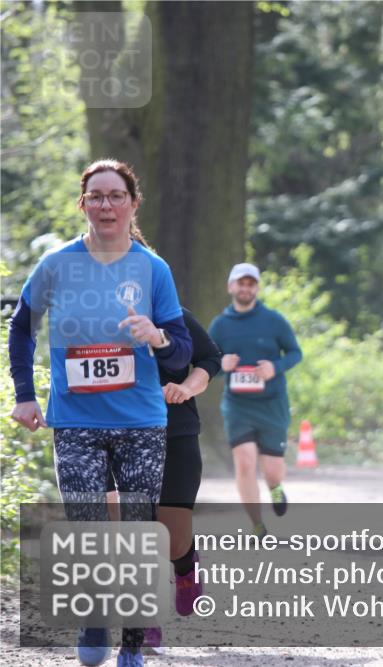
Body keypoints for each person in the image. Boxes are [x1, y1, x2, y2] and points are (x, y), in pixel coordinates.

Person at [8, 159, 192, 667]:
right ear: (83, 203)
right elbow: (22, 327)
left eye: (116, 196)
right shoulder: (57, 265)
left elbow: (179, 350)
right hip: (76, 422)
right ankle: (94, 621)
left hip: (141, 423)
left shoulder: (153, 270)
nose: (106, 205)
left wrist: (156, 337)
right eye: (96, 196)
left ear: (133, 204)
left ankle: (132, 644)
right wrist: (25, 393)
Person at [106, 306, 221, 653]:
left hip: (175, 433)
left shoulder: (173, 316)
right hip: (119, 435)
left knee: (172, 539)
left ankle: (185, 566)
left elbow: (209, 357)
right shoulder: (93, 319)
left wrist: (187, 387)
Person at [208, 263, 302, 537]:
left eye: (251, 284)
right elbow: (206, 364)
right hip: (238, 406)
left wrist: (275, 367)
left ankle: (275, 487)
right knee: (245, 462)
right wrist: (220, 364)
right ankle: (257, 524)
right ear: (231, 287)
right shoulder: (220, 325)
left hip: (272, 403)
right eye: (241, 283)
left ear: (257, 288)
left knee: (272, 471)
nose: (245, 288)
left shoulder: (273, 320)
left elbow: (295, 353)